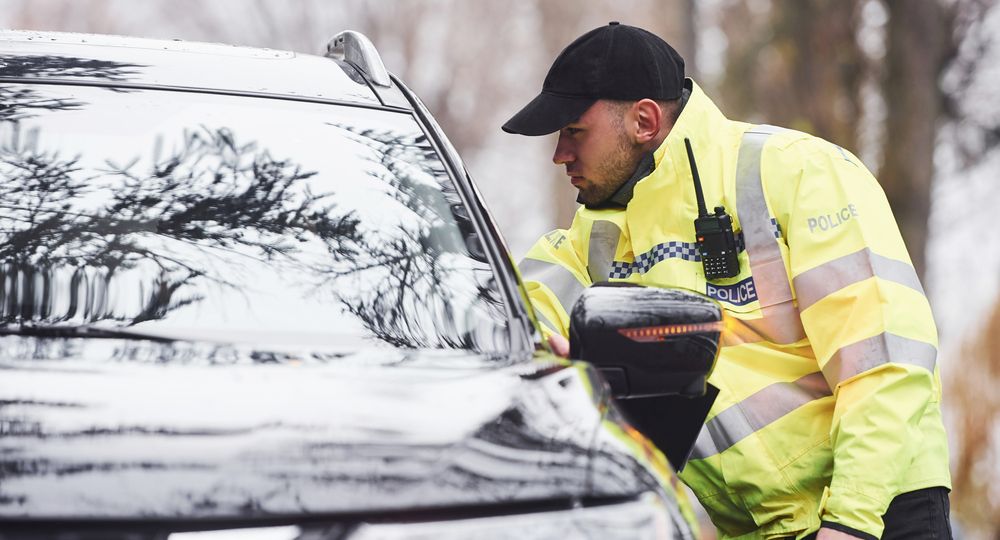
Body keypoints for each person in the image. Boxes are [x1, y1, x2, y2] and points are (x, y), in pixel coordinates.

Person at [502, 22, 952, 540]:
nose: (560, 154)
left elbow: (885, 362)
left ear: (644, 120)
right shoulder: (590, 241)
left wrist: (850, 521)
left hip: (881, 514)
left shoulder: (800, 172)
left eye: (573, 132)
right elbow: (506, 310)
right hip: (761, 529)